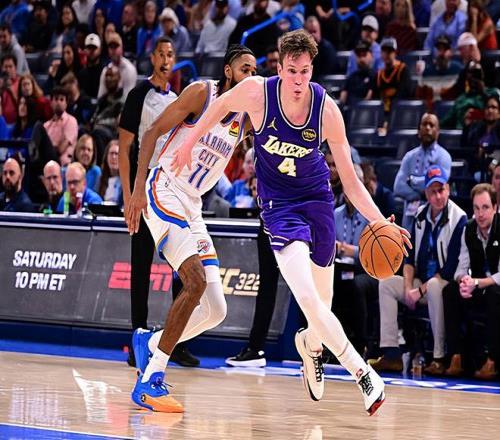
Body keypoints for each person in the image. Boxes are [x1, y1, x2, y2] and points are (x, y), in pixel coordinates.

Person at [170, 30, 411, 415]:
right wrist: (188, 142)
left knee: (321, 308)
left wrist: (382, 222)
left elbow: (351, 182)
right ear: (279, 68)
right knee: (308, 297)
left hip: (317, 202)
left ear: (312, 70)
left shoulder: (326, 110)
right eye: (292, 71)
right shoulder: (256, 93)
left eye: (305, 71)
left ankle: (310, 347)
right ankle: (362, 373)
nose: (298, 79)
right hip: (279, 207)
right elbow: (218, 107)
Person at [125, 44, 257, 412]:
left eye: (255, 70)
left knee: (216, 309)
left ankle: (150, 343)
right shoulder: (202, 93)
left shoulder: (245, 118)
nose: (251, 75)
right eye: (245, 69)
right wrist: (137, 190)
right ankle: (151, 380)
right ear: (228, 71)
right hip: (164, 188)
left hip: (193, 205)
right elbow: (152, 132)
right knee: (195, 281)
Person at [118, 36, 196, 368]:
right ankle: (137, 340)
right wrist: (128, 196)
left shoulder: (178, 99)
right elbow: (124, 149)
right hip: (143, 189)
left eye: (170, 54)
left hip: (169, 189)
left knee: (182, 267)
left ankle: (174, 341)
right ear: (152, 58)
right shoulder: (139, 95)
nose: (166, 59)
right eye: (161, 54)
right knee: (141, 268)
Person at [370, 165, 467, 375]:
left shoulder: (459, 218)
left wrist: (419, 291)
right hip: (420, 282)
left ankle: (439, 357)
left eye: (441, 190)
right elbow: (409, 257)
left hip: (443, 283)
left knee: (434, 286)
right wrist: (407, 288)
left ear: (448, 189)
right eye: (433, 191)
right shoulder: (420, 215)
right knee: (387, 283)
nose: (438, 196)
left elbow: (450, 267)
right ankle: (391, 353)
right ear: (426, 193)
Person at [444, 183, 500, 380]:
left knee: (494, 293)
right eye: (476, 208)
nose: (480, 214)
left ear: (495, 207)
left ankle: (492, 361)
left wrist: (476, 283)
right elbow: (461, 268)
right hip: (478, 285)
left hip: (495, 288)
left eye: (485, 207)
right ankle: (456, 356)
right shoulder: (468, 229)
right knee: (450, 290)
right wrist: (464, 281)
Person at [394, 113, 452, 231]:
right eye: (424, 124)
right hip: (410, 216)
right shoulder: (409, 156)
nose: (427, 128)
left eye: (431, 125)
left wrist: (412, 181)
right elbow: (398, 186)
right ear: (418, 130)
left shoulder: (444, 156)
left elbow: (438, 185)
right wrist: (420, 195)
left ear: (438, 131)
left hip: (435, 215)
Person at [97, 32, 137, 99]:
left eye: (115, 47)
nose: (113, 50)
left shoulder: (129, 69)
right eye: (111, 47)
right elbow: (100, 96)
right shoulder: (106, 71)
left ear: (121, 48)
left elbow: (128, 98)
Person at [43, 86, 78, 159]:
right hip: (47, 160)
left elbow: (61, 149)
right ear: (51, 103)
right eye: (56, 99)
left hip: (63, 162)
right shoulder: (46, 125)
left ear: (66, 104)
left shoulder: (71, 121)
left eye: (61, 100)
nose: (58, 102)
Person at [340, 40, 376, 107]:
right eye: (359, 55)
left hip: (365, 111)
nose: (361, 59)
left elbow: (368, 99)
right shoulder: (351, 77)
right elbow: (343, 99)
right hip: (350, 110)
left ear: (371, 56)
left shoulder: (375, 76)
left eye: (364, 55)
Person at [78, 33, 106, 99]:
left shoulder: (104, 71)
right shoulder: (81, 74)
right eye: (89, 48)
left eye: (94, 48)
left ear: (100, 50)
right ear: (85, 50)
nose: (91, 51)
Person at [98, 139, 122, 204]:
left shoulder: (127, 182)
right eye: (111, 153)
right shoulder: (100, 179)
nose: (113, 157)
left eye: (116, 154)